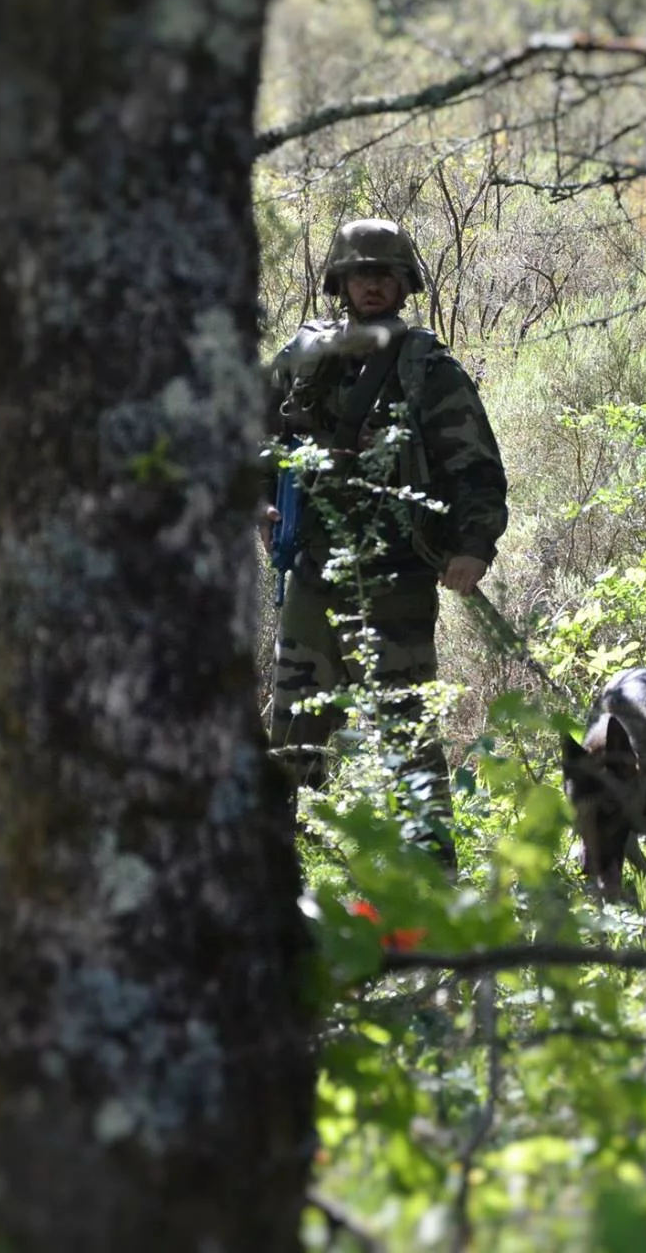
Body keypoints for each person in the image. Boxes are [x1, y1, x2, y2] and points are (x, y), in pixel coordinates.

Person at [261, 218, 509, 874]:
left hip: (395, 581)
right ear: (339, 283)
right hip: (312, 572)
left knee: (406, 737)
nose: (371, 285)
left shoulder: (427, 368)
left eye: (384, 274)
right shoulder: (303, 357)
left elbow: (476, 468)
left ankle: (433, 884)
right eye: (359, 274)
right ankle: (269, 881)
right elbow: (250, 438)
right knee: (290, 737)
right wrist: (260, 501)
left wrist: (473, 547)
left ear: (404, 284)